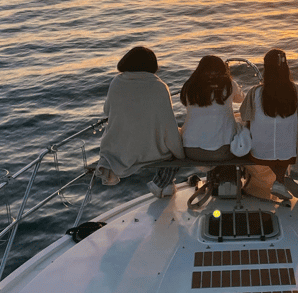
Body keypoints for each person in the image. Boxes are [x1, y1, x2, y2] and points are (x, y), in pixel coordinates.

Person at [96, 46, 184, 196]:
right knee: (179, 141)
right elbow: (168, 127)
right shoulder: (159, 87)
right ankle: (163, 182)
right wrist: (181, 153)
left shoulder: (116, 83)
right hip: (153, 152)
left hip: (120, 152)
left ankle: (165, 185)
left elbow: (107, 110)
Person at [240, 49, 298, 200]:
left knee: (260, 143)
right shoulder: (296, 90)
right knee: (282, 145)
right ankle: (281, 180)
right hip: (290, 155)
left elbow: (244, 115)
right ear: (286, 68)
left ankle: (280, 181)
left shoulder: (255, 92)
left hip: (259, 155)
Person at [180, 55, 244, 161]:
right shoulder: (230, 85)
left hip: (191, 151)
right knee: (241, 121)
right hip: (223, 151)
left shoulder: (189, 87)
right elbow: (241, 99)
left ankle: (214, 174)